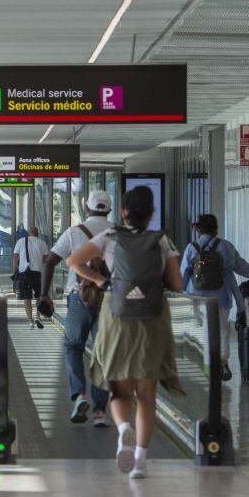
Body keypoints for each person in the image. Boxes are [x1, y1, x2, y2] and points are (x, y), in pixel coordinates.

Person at [66, 185, 185, 479]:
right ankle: (140, 461)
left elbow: (73, 262)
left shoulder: (108, 237)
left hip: (116, 317)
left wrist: (102, 282)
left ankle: (123, 430)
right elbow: (178, 284)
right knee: (146, 393)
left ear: (123, 212)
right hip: (152, 319)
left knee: (119, 387)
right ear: (151, 214)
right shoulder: (162, 241)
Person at [39, 190, 114, 427]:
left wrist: (45, 295)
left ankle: (80, 394)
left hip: (78, 298)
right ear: (109, 210)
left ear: (87, 207)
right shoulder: (118, 233)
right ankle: (100, 411)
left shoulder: (74, 232)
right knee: (103, 353)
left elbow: (50, 262)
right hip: (109, 299)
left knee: (73, 346)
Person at [181, 214, 249, 381]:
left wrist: (180, 294)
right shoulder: (225, 246)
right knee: (222, 330)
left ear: (199, 229)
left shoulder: (192, 247)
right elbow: (240, 266)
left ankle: (204, 364)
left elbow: (184, 274)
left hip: (196, 296)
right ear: (216, 228)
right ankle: (223, 363)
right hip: (221, 297)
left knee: (200, 331)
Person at [13, 224, 49, 330]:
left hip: (24, 273)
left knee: (27, 298)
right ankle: (38, 317)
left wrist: (15, 272)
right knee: (39, 297)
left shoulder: (20, 242)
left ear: (28, 233)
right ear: (37, 234)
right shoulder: (42, 243)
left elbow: (15, 258)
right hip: (38, 273)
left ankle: (30, 322)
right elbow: (46, 260)